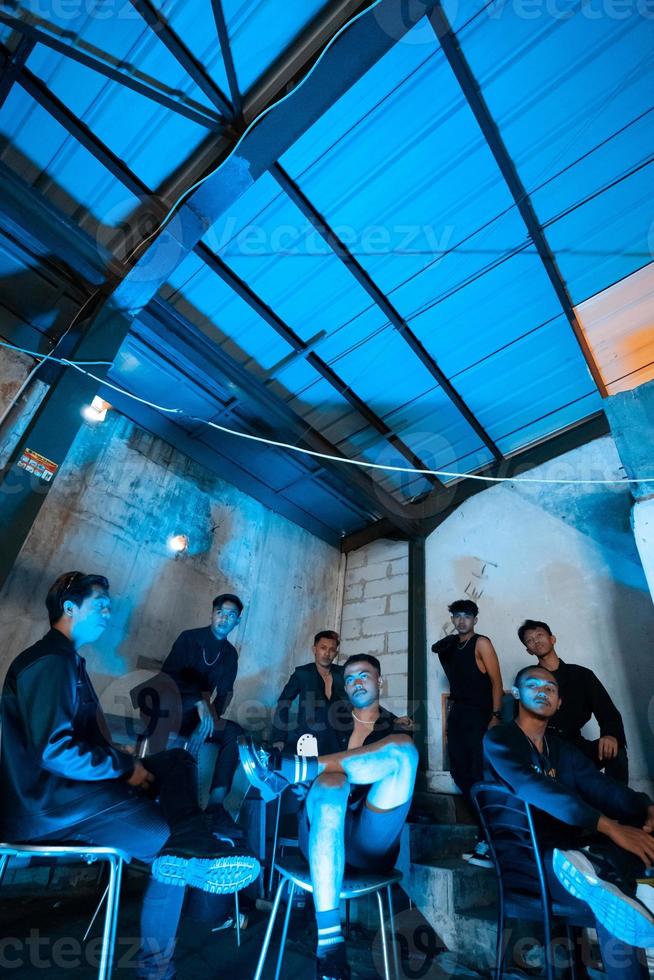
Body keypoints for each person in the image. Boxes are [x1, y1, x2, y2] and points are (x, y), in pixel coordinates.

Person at [0, 571, 259, 980]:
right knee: (171, 850)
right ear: (69, 608)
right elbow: (53, 750)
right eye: (100, 602)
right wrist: (124, 764)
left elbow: (66, 740)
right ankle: (159, 965)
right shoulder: (52, 660)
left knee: (175, 762)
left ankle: (198, 837)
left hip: (72, 794)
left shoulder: (69, 661)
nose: (109, 609)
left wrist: (116, 753)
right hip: (55, 804)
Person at [238, 653, 418, 980]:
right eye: (349, 679)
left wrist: (298, 770)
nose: (356, 682)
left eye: (364, 675)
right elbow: (300, 772)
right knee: (332, 784)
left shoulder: (394, 727)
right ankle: (330, 943)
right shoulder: (325, 719)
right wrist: (304, 783)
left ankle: (287, 772)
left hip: (369, 842)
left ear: (380, 681)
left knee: (404, 750)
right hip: (321, 830)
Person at [484, 664, 654, 979]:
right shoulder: (500, 740)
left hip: (575, 854)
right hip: (529, 864)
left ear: (559, 702)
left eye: (550, 688)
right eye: (533, 685)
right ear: (518, 694)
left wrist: (646, 807)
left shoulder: (561, 749)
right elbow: (530, 786)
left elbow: (602, 788)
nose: (542, 691)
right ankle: (600, 877)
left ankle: (604, 879)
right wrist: (609, 826)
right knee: (611, 891)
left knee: (617, 881)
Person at [154, 593, 245, 813]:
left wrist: (208, 722)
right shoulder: (189, 638)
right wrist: (197, 701)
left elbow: (224, 695)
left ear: (237, 621)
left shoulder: (230, 655)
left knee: (235, 733)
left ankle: (215, 805)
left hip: (201, 717)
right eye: (220, 612)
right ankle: (157, 799)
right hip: (172, 708)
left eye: (231, 615)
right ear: (212, 614)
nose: (224, 619)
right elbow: (166, 678)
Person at [432, 599, 504, 867]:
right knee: (460, 774)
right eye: (457, 616)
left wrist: (496, 717)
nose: (462, 620)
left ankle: (492, 843)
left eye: (467, 616)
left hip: (479, 715)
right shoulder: (453, 645)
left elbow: (497, 682)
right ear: (453, 619)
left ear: (475, 619)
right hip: (459, 714)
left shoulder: (481, 643)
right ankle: (486, 839)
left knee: (477, 775)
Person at [518, 619, 628, 783]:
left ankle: (618, 804)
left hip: (577, 745)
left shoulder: (582, 675)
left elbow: (607, 710)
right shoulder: (529, 681)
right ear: (528, 650)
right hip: (546, 750)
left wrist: (610, 735)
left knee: (616, 750)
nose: (536, 641)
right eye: (530, 640)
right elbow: (521, 722)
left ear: (552, 639)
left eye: (540, 635)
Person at [271, 629, 345, 754]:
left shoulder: (343, 673)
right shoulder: (302, 674)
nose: (327, 653)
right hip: (309, 739)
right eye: (323, 648)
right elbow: (283, 704)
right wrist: (279, 738)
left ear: (336, 653)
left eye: (331, 650)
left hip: (339, 739)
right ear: (314, 649)